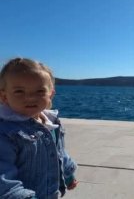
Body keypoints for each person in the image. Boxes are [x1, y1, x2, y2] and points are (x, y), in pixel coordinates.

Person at [0, 57, 78, 199]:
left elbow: (59, 152)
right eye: (19, 91)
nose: (30, 97)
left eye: (40, 91)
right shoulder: (5, 132)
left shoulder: (51, 122)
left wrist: (67, 173)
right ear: (4, 96)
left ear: (50, 95)